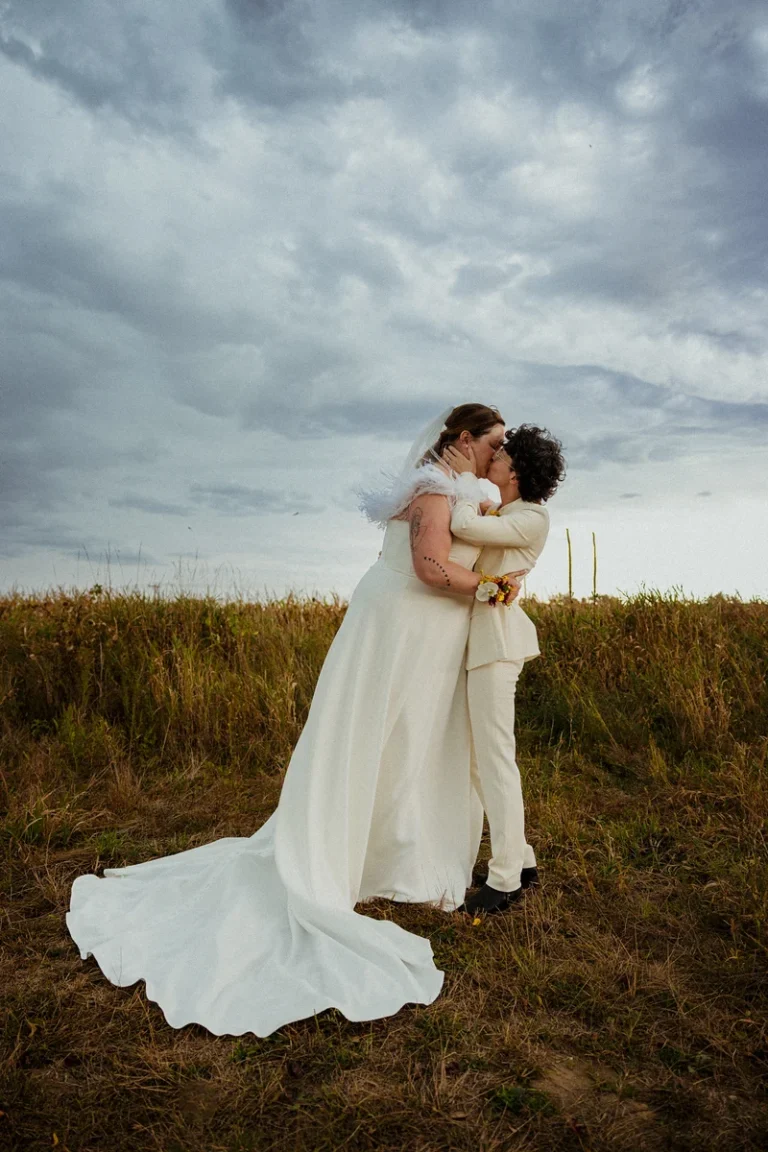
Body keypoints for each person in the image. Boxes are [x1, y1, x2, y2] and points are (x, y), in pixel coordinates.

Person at [65, 404, 524, 1037]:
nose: (499, 451)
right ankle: (344, 857)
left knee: (414, 744)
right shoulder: (434, 489)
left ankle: (402, 857)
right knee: (374, 738)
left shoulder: (463, 492)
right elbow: (430, 567)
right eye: (494, 441)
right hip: (400, 626)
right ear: (465, 439)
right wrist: (494, 589)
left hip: (431, 635)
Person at [443, 425, 566, 915]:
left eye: (502, 455)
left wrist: (462, 484)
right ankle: (524, 860)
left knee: (495, 759)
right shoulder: (510, 511)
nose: (493, 458)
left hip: (498, 645)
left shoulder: (532, 517)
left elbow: (463, 528)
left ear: (515, 472)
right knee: (479, 761)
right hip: (482, 643)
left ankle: (505, 880)